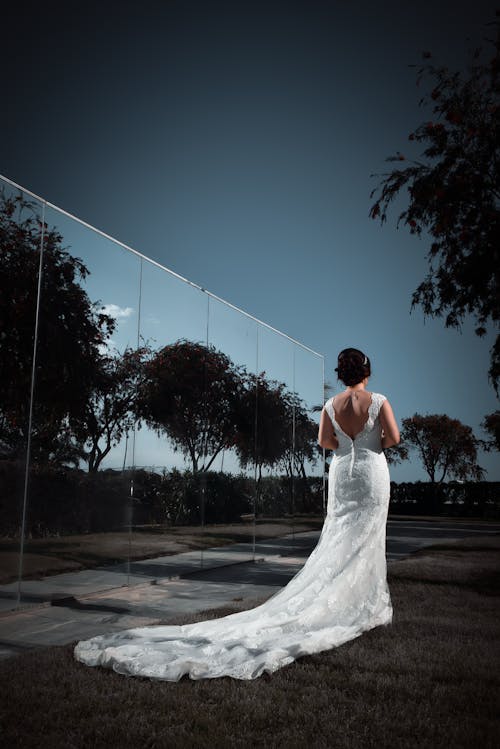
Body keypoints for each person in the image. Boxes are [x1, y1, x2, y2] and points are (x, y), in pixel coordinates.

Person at [74, 347, 400, 681]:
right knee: (366, 537)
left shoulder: (332, 406)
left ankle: (344, 597)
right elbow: (395, 438)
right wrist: (372, 441)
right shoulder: (379, 401)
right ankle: (363, 602)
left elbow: (324, 442)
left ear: (341, 374)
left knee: (338, 537)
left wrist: (347, 447)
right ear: (367, 372)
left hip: (342, 473)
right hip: (371, 475)